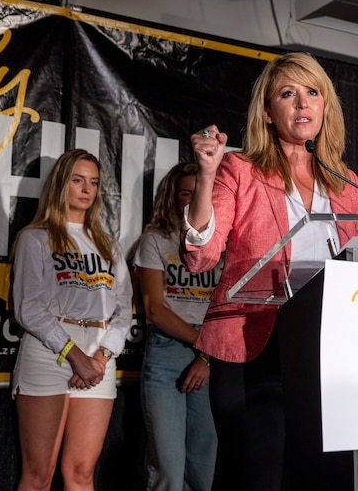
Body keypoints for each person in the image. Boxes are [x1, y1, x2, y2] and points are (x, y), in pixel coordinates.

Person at [181, 52, 358, 490]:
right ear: (267, 112)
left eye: (311, 93)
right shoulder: (239, 168)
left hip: (326, 347)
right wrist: (206, 176)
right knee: (258, 474)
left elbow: (357, 267)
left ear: (325, 106)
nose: (302, 103)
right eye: (288, 94)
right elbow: (200, 257)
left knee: (321, 475)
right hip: (253, 344)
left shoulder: (348, 182)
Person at [11, 149, 133, 491]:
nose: (86, 189)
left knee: (81, 473)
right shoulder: (35, 238)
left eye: (93, 182)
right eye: (78, 180)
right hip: (49, 353)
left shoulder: (107, 244)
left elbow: (124, 308)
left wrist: (100, 357)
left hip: (99, 355)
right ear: (61, 183)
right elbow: (29, 308)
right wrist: (75, 357)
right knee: (39, 475)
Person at [133, 161, 220, 491]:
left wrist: (207, 356)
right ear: (172, 197)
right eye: (187, 193)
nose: (195, 199)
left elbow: (225, 309)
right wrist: (204, 345)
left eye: (201, 192)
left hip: (210, 360)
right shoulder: (155, 241)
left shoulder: (220, 245)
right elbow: (155, 309)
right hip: (168, 354)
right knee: (169, 466)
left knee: (202, 464)